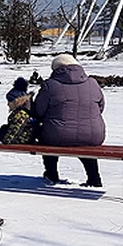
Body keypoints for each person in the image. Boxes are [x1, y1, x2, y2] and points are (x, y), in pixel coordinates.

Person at [32, 53, 106, 186]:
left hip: (57, 135)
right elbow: (100, 107)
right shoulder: (92, 83)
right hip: (93, 135)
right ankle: (94, 178)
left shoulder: (50, 85)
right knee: (85, 142)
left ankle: (51, 174)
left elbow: (39, 111)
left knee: (48, 138)